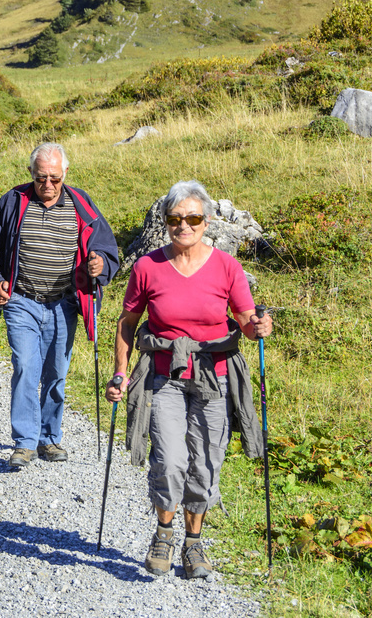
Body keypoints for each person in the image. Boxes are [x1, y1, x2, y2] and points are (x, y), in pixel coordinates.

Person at [104, 180, 273, 579]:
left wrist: (259, 326)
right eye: (176, 218)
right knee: (169, 459)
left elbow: (247, 322)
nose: (184, 225)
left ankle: (193, 543)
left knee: (207, 462)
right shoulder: (148, 267)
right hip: (163, 377)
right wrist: (120, 372)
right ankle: (164, 533)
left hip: (214, 377)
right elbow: (127, 323)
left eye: (193, 218)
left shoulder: (227, 267)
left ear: (207, 221)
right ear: (165, 222)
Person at [0, 143, 119, 468]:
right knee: (27, 366)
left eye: (54, 178)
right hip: (22, 299)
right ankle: (25, 442)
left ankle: (49, 437)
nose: (48, 185)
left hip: (65, 303)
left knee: (57, 371)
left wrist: (100, 265)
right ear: (31, 173)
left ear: (64, 174)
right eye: (41, 177)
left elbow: (106, 249)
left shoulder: (82, 205)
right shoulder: (13, 202)